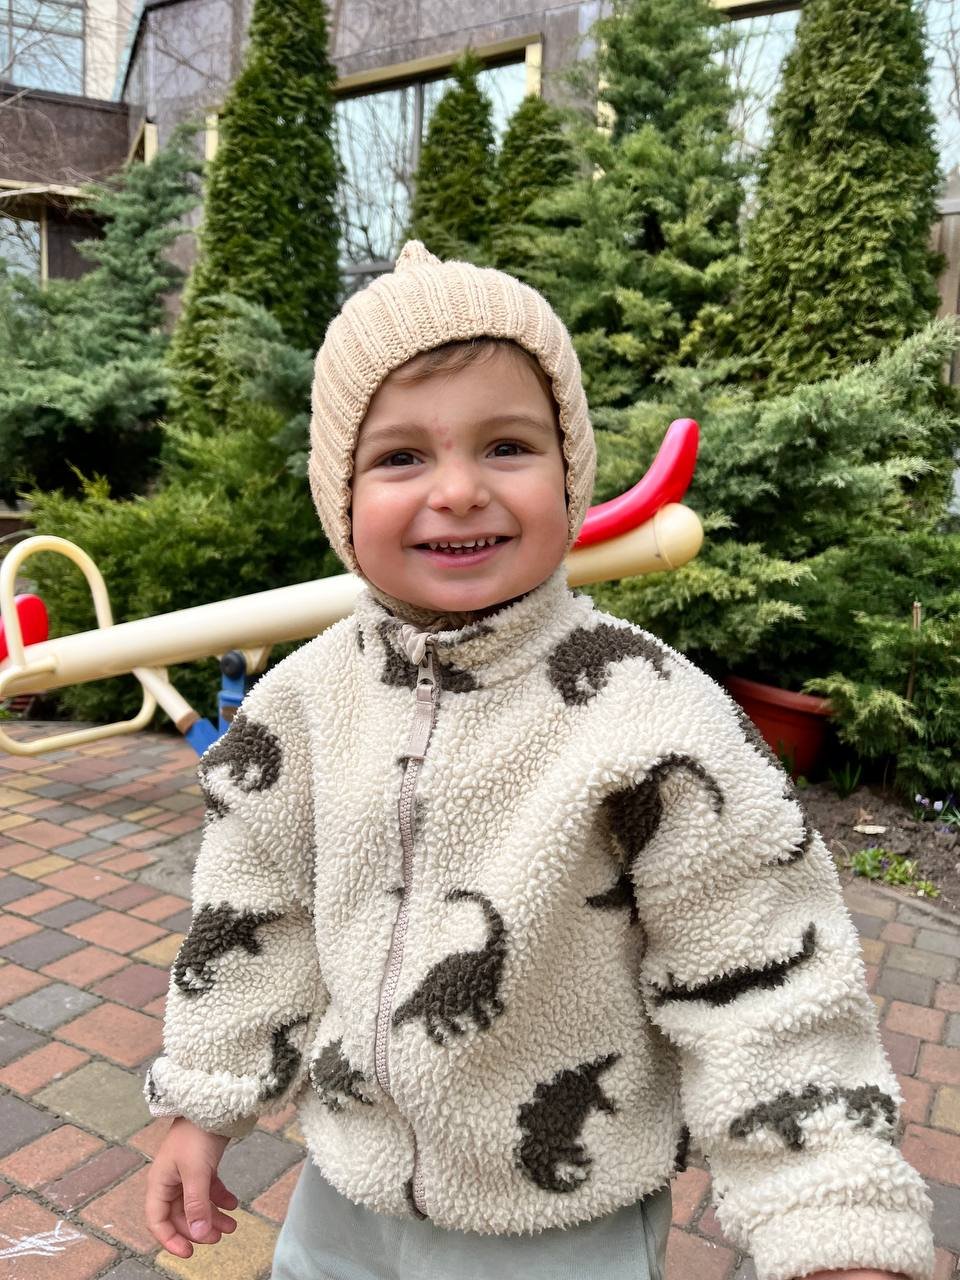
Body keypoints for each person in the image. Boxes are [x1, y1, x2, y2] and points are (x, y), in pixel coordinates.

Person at [143, 241, 933, 1280]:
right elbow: (253, 911)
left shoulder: (653, 712)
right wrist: (205, 1099)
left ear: (572, 469)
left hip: (566, 1224)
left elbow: (760, 968)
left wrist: (827, 1209)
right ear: (339, 495)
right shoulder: (300, 704)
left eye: (508, 445)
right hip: (346, 1192)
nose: (459, 489)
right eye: (401, 458)